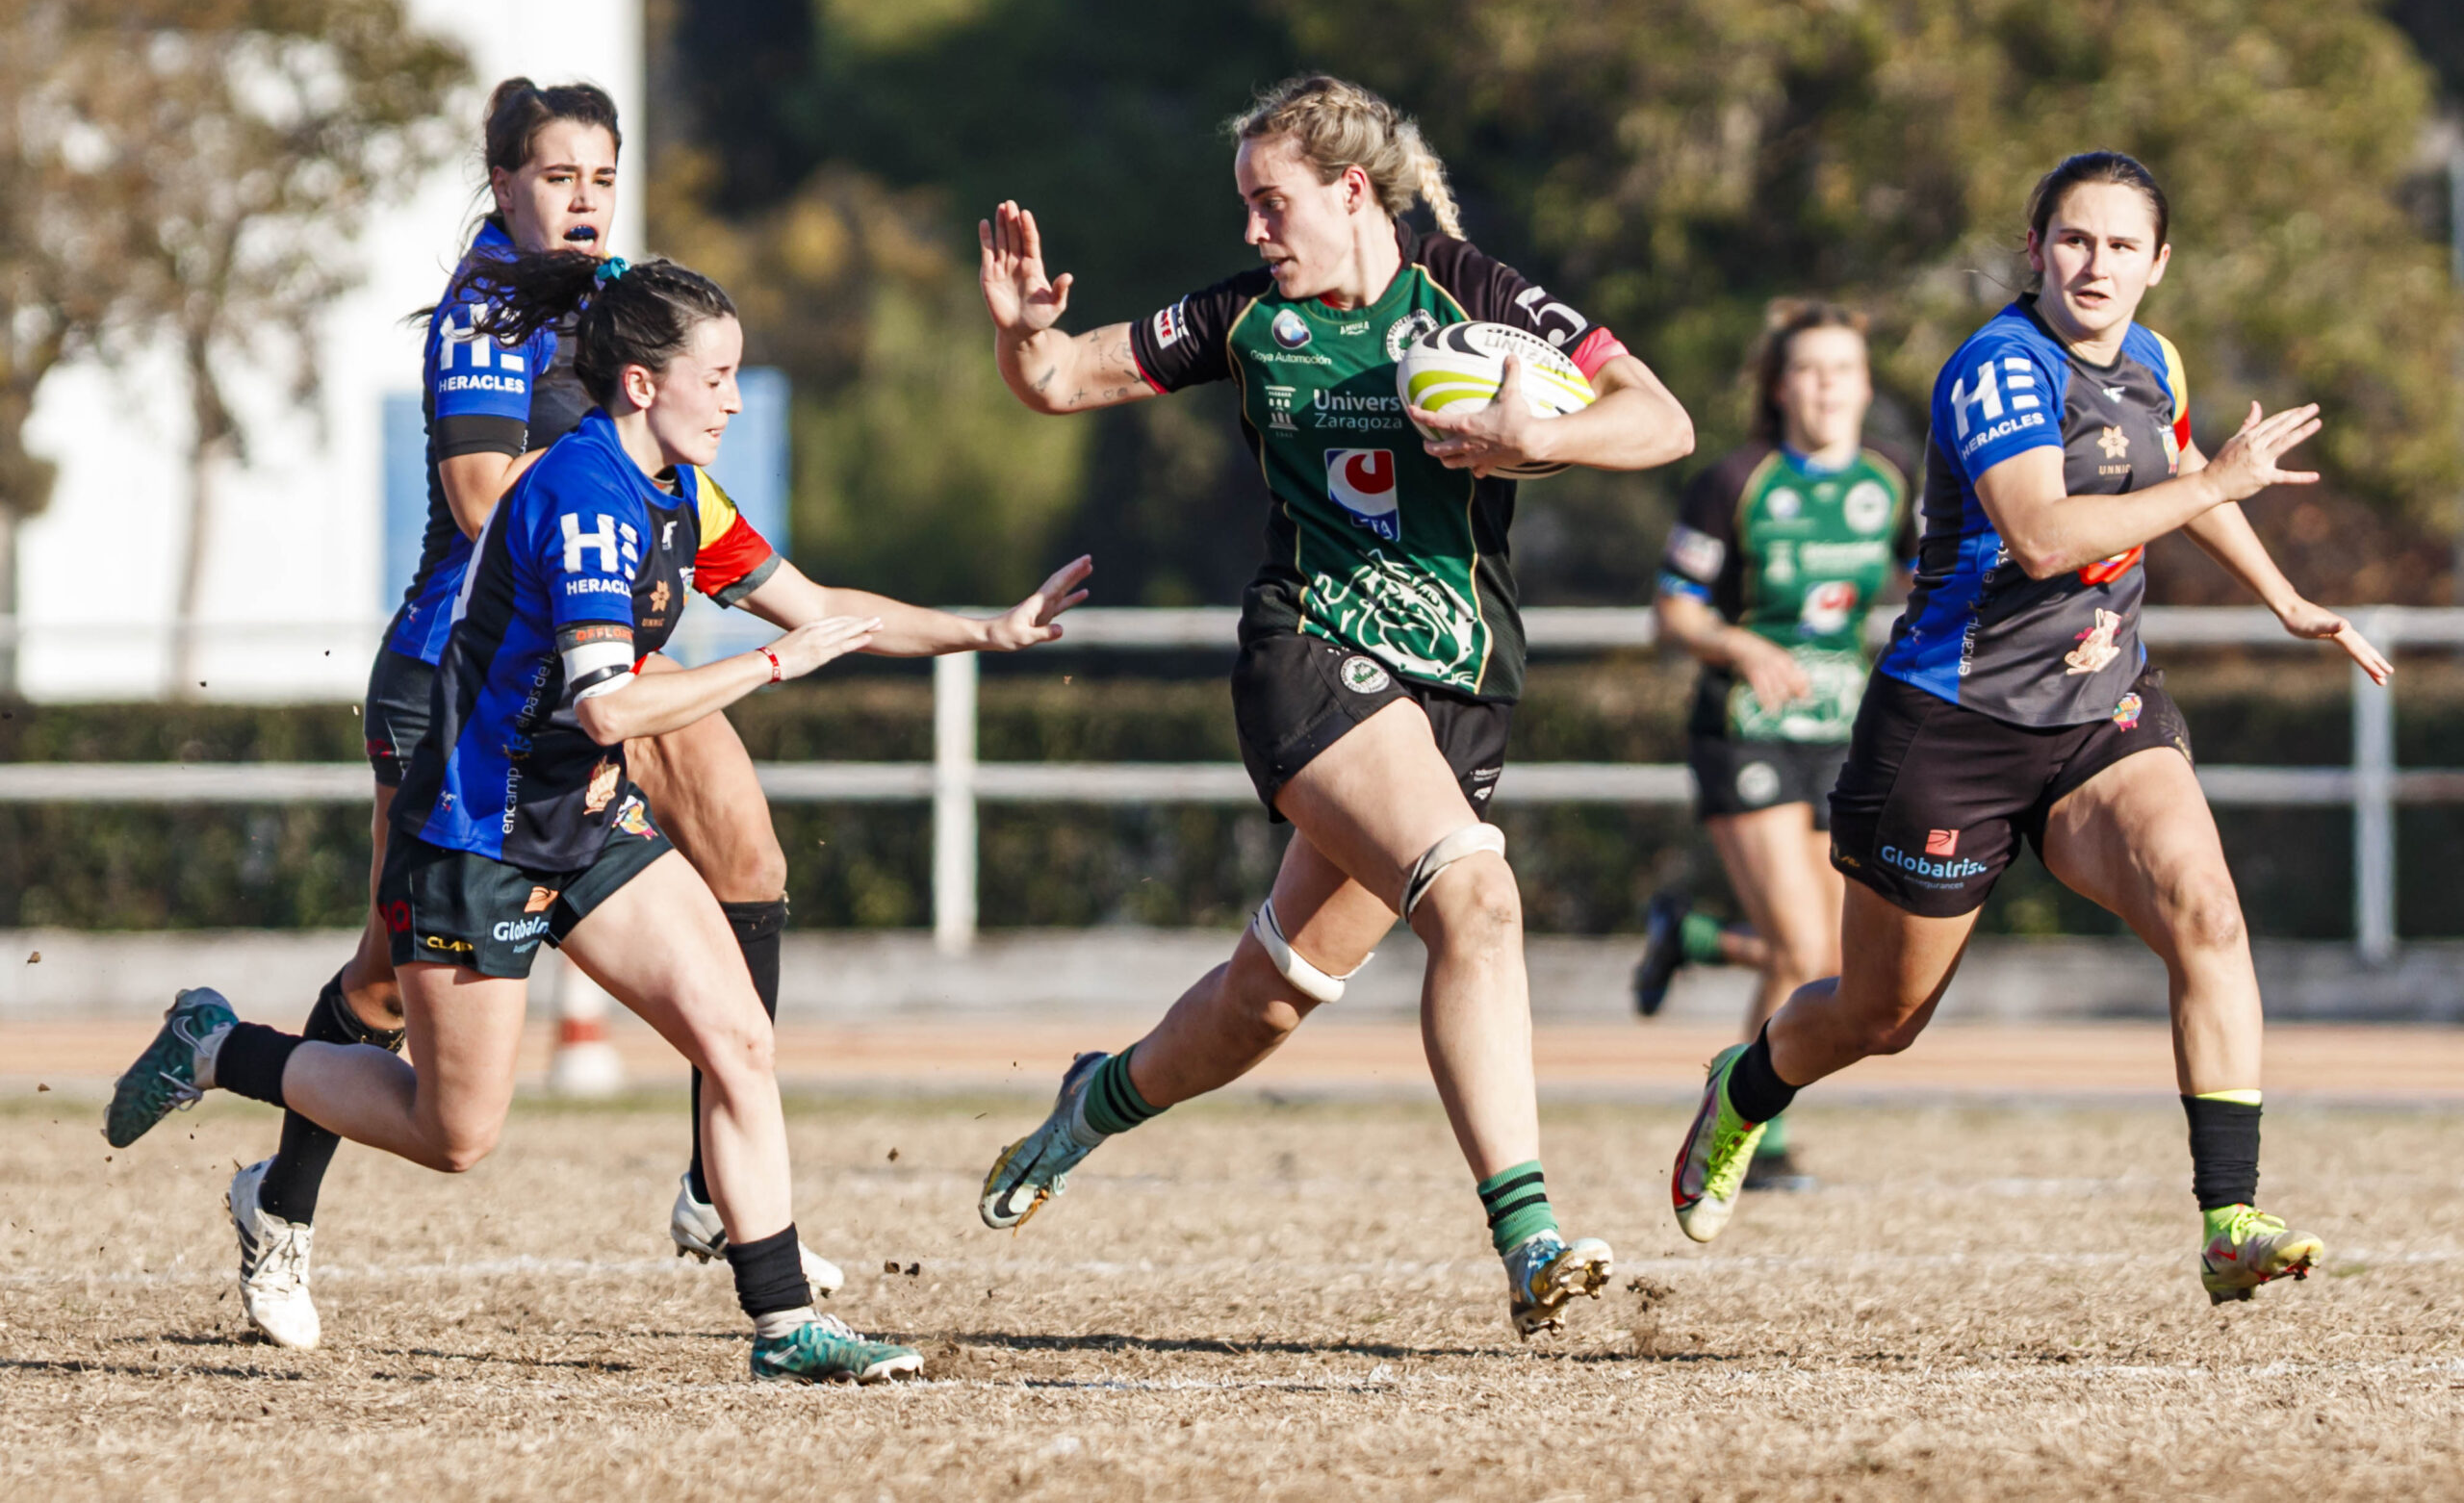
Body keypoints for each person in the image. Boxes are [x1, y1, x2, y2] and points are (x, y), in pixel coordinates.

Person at [109, 249, 1092, 1382]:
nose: (732, 397)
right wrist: (772, 666)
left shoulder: (679, 490)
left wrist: (986, 631)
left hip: (586, 822)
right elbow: (615, 702)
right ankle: (219, 1046)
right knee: (452, 1135)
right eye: (714, 376)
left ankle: (782, 1328)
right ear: (641, 384)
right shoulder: (584, 501)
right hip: (476, 839)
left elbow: (818, 606)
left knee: (737, 1038)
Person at [970, 73, 1694, 1337]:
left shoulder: (1476, 297)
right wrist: (1022, 333)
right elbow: (1061, 380)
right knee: (1478, 894)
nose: (1253, 232)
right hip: (1310, 650)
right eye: (1246, 207)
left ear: (1352, 192)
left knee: (1272, 992)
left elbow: (1663, 417)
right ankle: (1532, 1242)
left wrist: (1547, 442)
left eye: (1272, 204)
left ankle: (1095, 1098)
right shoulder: (1246, 319)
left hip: (1456, 688)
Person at [1667, 152, 2390, 1306]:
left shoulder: (2154, 359)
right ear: (2035, 249)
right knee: (1878, 1017)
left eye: (2119, 245)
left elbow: (2188, 469)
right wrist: (2221, 488)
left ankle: (2227, 1216)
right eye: (2072, 240)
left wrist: (2286, 598)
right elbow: (2046, 534)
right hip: (1953, 730)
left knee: (2207, 911)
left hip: (2103, 708)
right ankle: (1744, 1088)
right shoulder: (1997, 369)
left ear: (2159, 264)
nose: (2094, 264)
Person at [230, 79, 829, 1351]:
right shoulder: (487, 309)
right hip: (472, 677)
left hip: (598, 663)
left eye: (602, 175)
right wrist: (624, 532)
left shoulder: (612, 297)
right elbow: (488, 491)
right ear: (502, 182)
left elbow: (676, 432)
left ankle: (710, 1189)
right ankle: (281, 1200)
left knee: (749, 854)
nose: (585, 198)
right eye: (559, 175)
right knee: (388, 983)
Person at [1632, 302, 1913, 1191]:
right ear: (1781, 386)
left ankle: (1698, 939)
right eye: (1810, 369)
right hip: (1743, 729)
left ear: (1866, 385)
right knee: (1801, 945)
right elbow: (1673, 611)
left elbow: (1929, 584)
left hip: (1841, 731)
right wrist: (1746, 646)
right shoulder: (1736, 482)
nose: (1829, 386)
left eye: (1844, 369)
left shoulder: (1891, 481)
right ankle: (1755, 1134)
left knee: (1828, 956)